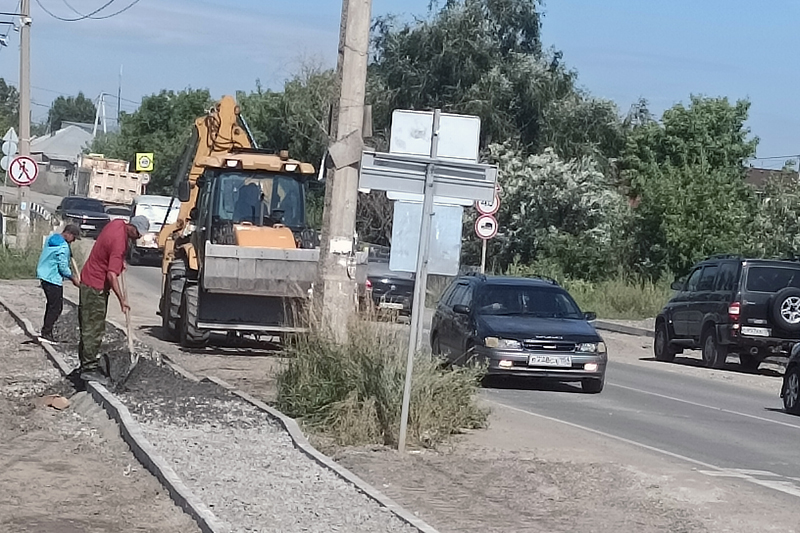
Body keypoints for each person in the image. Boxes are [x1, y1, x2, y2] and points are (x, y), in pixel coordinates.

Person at [77, 215, 149, 384]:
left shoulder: (117, 223)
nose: (139, 237)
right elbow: (111, 275)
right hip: (96, 287)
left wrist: (119, 262)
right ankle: (88, 368)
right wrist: (122, 300)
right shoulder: (119, 243)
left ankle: (85, 363)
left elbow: (109, 253)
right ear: (131, 227)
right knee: (94, 328)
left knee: (87, 325)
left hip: (88, 279)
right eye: (138, 233)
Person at [36, 224, 81, 344]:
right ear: (68, 234)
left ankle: (46, 331)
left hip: (44, 275)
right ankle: (46, 333)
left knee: (51, 305)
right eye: (74, 237)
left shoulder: (53, 239)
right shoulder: (63, 246)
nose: (74, 240)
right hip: (53, 278)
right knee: (56, 308)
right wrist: (73, 278)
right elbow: (63, 267)